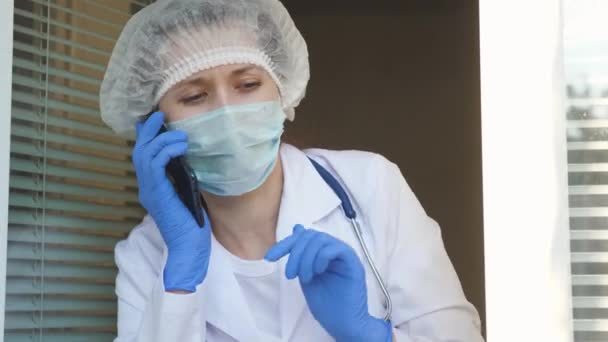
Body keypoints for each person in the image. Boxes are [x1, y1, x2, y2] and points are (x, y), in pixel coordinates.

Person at [99, 0, 484, 341]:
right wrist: (179, 279)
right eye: (194, 96)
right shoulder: (148, 255)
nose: (227, 113)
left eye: (247, 84)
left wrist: (371, 337)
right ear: (158, 124)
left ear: (282, 89)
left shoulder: (371, 186)